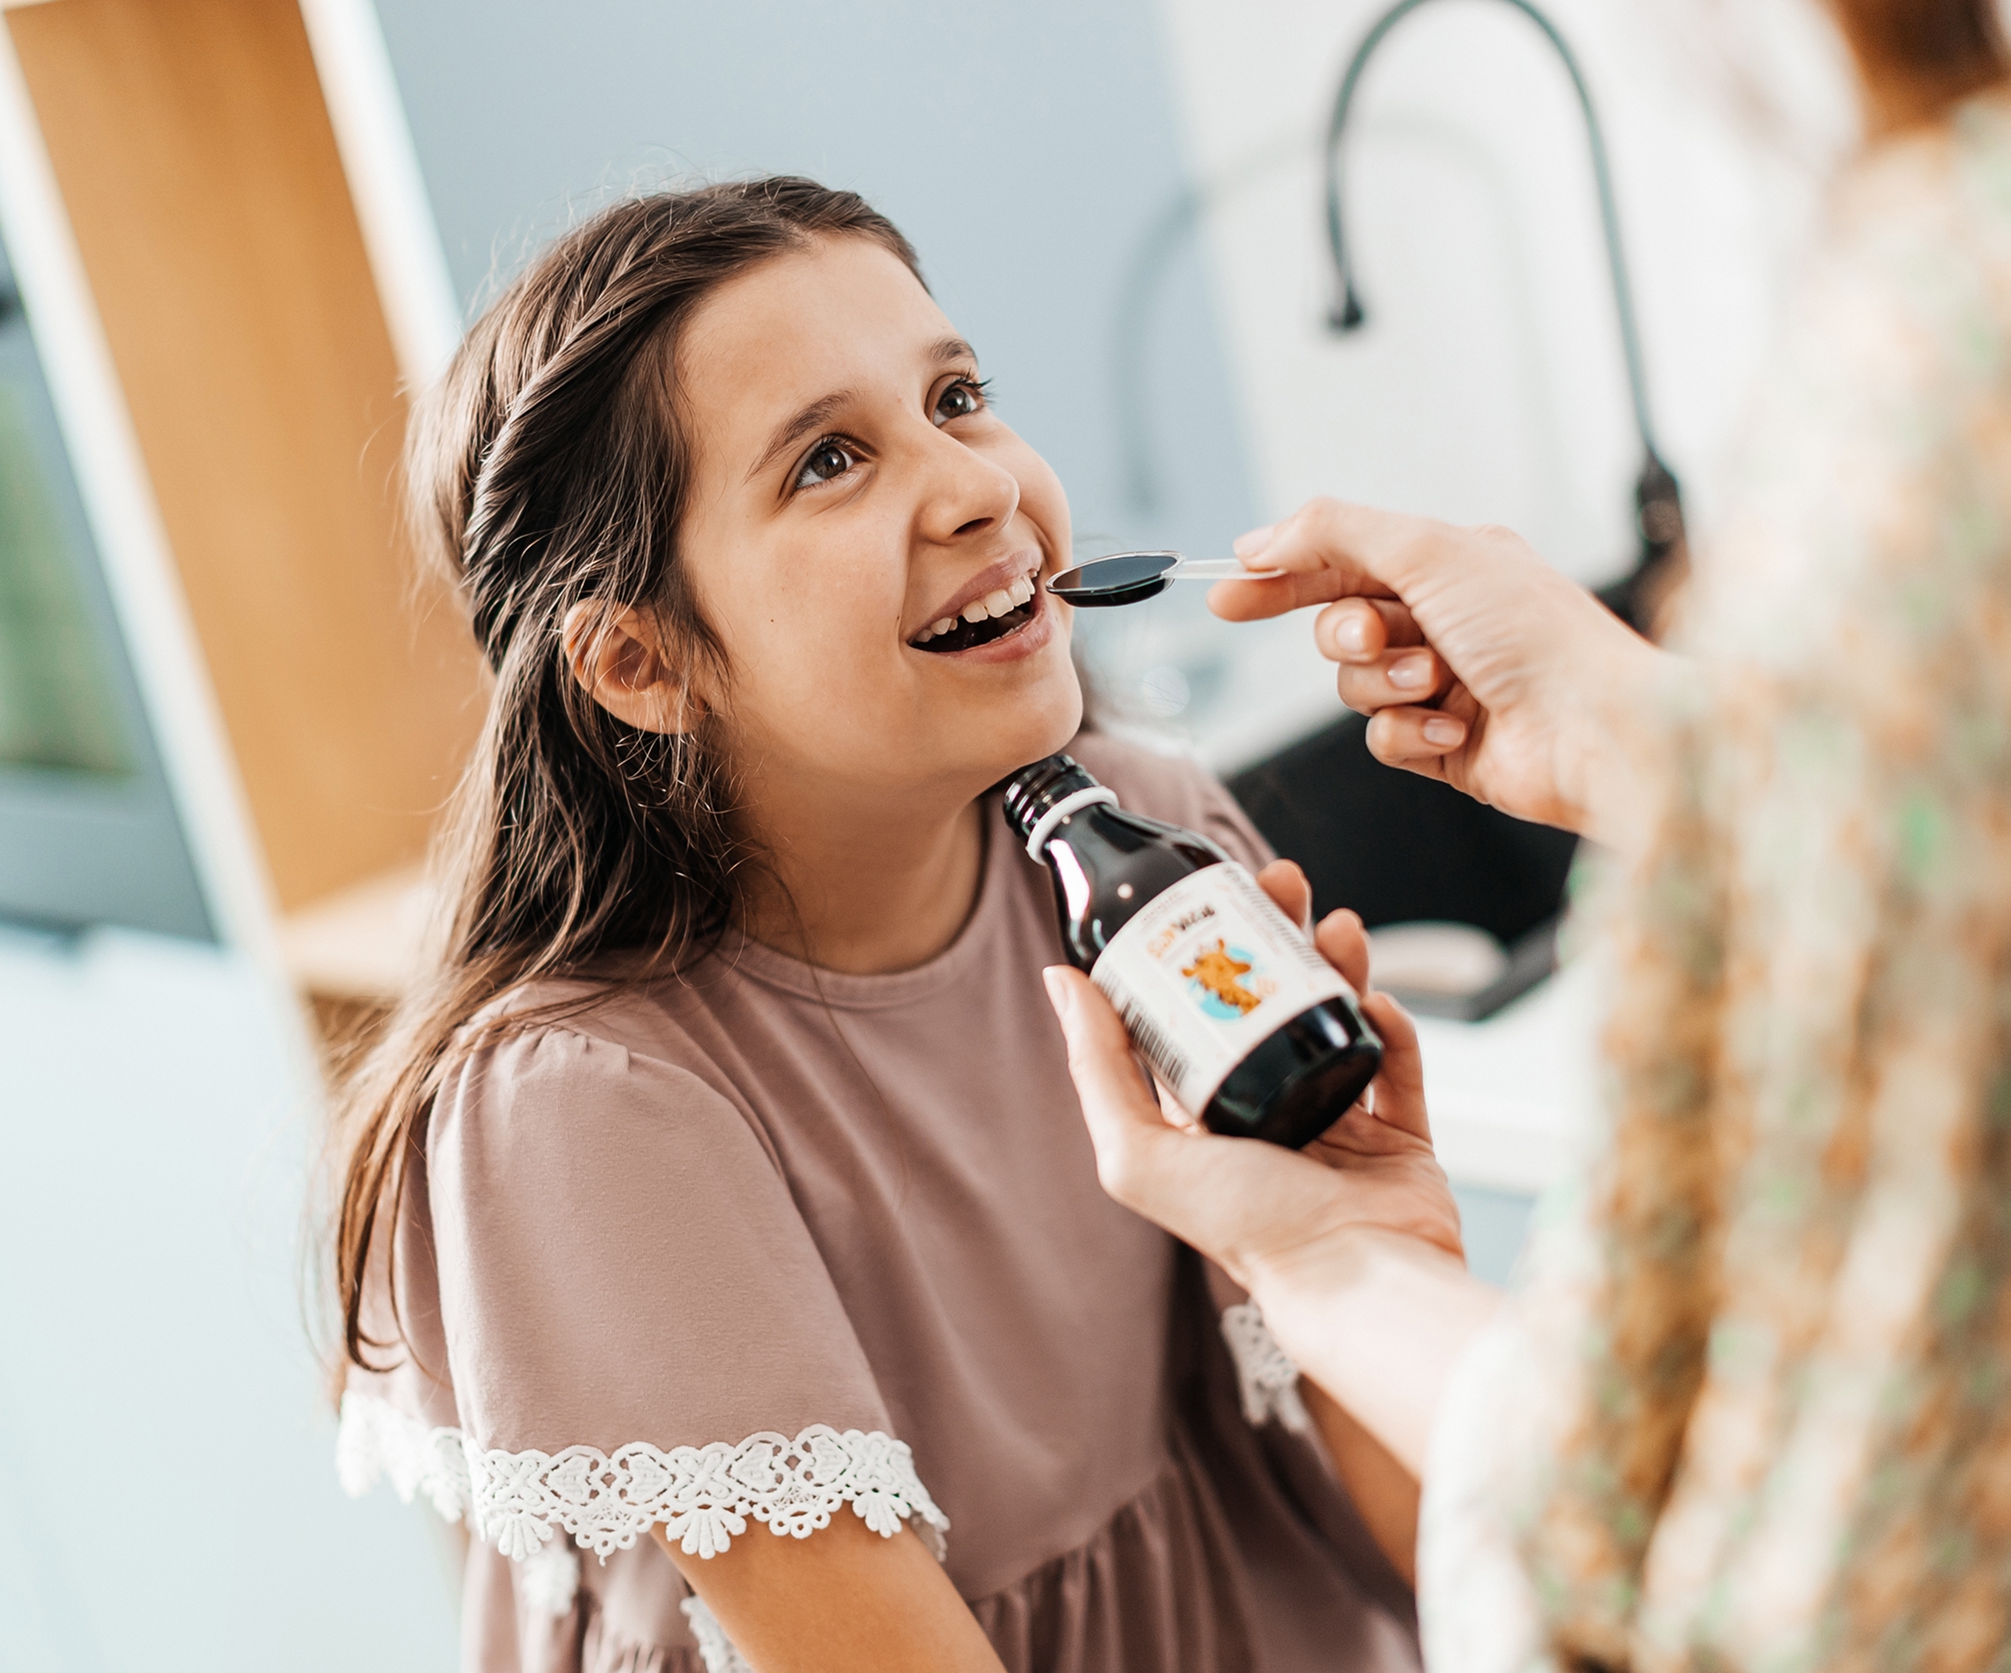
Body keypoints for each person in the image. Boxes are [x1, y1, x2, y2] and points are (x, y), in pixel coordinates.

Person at [324, 179, 1423, 1673]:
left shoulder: (1146, 835)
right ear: (638, 659)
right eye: (828, 460)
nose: (975, 484)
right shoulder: (592, 1105)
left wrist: (1378, 1262)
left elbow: (1421, 1514)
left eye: (956, 396)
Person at [1046, 4, 2011, 1669]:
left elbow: (1795, 1561)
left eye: (964, 394)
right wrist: (1661, 747)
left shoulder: (1934, 358)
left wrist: (1338, 1263)